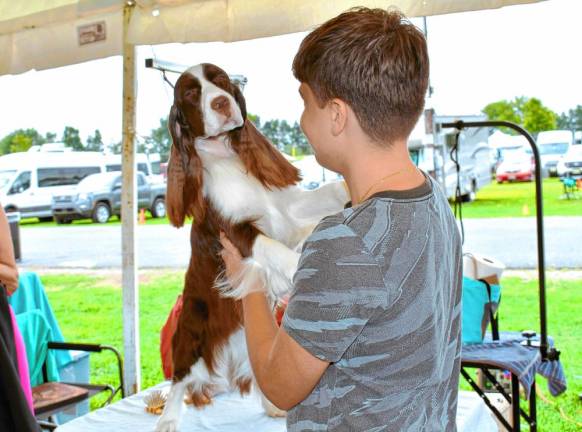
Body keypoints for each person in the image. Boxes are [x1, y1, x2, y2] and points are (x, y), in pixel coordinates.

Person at [220, 7, 462, 431]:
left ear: (336, 115)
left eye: (305, 103)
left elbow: (279, 386)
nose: (301, 122)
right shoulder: (433, 199)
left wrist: (248, 280)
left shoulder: (347, 241)